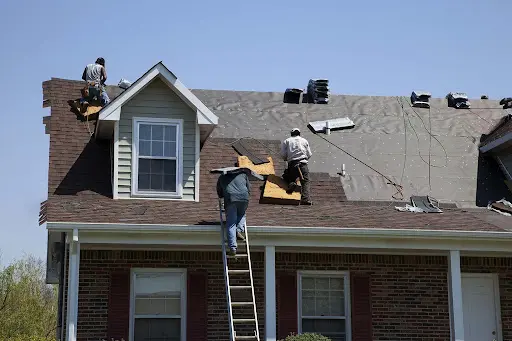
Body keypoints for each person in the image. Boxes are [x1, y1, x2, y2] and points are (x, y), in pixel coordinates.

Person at [217, 170, 251, 256]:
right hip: (244, 198)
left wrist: (224, 195)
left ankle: (233, 248)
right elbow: (249, 188)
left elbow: (220, 193)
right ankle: (238, 230)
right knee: (242, 215)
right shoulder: (243, 175)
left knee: (231, 223)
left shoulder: (222, 177)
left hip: (231, 199)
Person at [280, 128, 313, 205]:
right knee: (305, 181)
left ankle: (292, 184)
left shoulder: (287, 141)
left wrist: (286, 159)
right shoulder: (304, 141)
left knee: (288, 176)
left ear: (291, 134)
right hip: (303, 163)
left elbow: (283, 155)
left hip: (292, 164)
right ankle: (305, 199)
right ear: (299, 133)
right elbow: (309, 154)